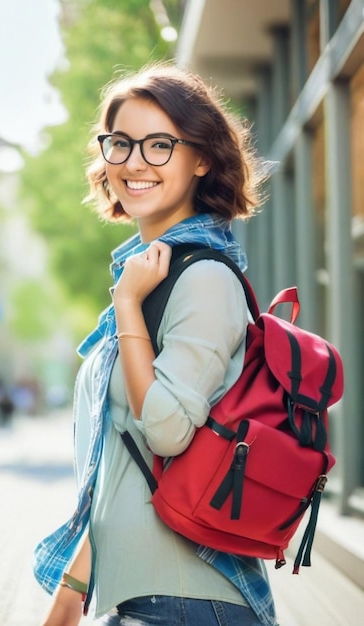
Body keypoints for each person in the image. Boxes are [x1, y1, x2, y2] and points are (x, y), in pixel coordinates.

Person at [33, 62, 277, 626]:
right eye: (121, 143)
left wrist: (125, 307)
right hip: (140, 603)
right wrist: (68, 603)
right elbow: (127, 466)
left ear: (202, 158)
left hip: (191, 604)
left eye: (160, 144)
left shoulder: (205, 281)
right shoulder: (150, 282)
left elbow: (165, 431)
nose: (135, 162)